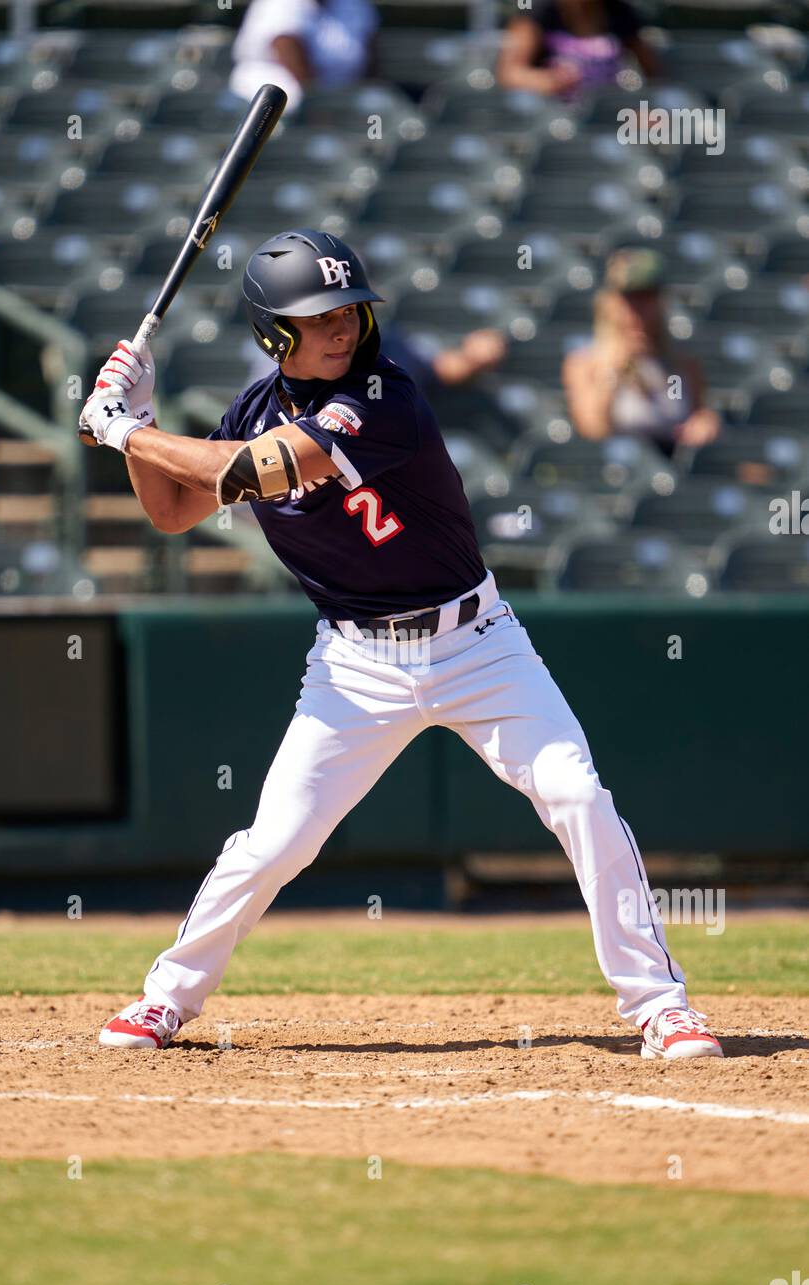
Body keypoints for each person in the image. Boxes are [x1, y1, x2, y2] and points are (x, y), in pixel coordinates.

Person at [79, 228, 724, 1062]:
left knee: (579, 797)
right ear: (275, 332)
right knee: (276, 842)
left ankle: (661, 1006)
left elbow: (255, 474)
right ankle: (165, 999)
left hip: (478, 645)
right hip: (355, 666)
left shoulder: (384, 397)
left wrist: (123, 431)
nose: (342, 324)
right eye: (319, 315)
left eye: (349, 307)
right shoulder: (253, 410)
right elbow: (171, 510)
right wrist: (142, 418)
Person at [562, 246, 721, 453]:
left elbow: (694, 415)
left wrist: (705, 423)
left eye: (647, 297)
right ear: (611, 302)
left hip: (672, 464)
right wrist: (616, 369)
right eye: (630, 298)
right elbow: (594, 430)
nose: (638, 309)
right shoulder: (585, 363)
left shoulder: (683, 364)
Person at [229, 0, 378, 112]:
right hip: (277, 94)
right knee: (290, 103)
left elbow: (371, 56)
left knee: (380, 103)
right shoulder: (280, 3)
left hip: (341, 95)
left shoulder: (354, 4)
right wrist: (318, 102)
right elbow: (287, 48)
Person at [497, 0, 656, 100]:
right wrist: (549, 81)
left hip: (606, 110)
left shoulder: (619, 12)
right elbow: (509, 73)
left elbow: (654, 74)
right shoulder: (538, 11)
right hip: (552, 110)